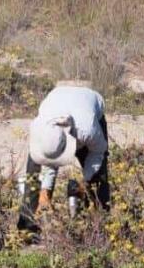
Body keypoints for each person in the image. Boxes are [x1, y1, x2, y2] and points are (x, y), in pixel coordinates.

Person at [21, 84, 111, 223]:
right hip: (57, 98)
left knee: (98, 176)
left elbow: (97, 153)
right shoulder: (39, 127)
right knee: (33, 172)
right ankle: (28, 225)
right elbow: (49, 158)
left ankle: (99, 222)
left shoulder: (87, 130)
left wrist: (84, 181)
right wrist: (45, 190)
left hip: (88, 106)